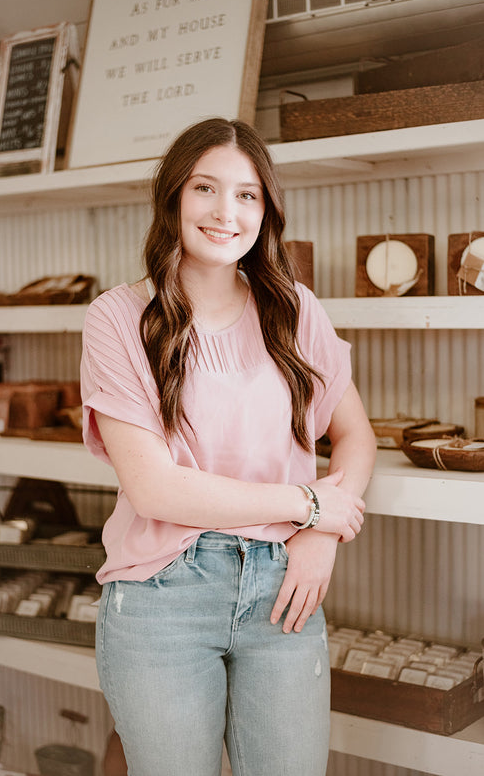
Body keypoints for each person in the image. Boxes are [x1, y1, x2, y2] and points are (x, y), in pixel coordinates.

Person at [81, 116, 376, 776]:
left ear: (264, 208)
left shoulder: (293, 310)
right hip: (163, 592)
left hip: (284, 585)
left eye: (246, 194)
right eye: (204, 189)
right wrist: (307, 504)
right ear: (173, 199)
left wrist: (320, 532)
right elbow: (155, 487)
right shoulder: (118, 318)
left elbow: (354, 434)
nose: (225, 211)